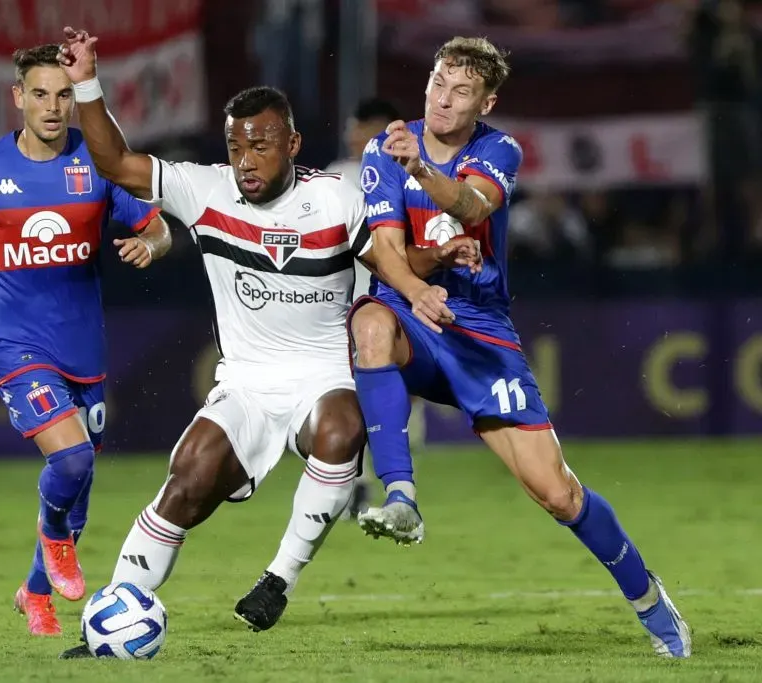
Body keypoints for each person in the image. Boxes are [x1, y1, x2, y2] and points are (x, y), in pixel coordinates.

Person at [56, 28, 477, 645]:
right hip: (247, 385)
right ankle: (114, 621)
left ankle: (278, 578)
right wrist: (87, 82)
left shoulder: (336, 199)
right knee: (190, 479)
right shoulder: (206, 190)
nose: (245, 159)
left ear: (293, 143)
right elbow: (114, 163)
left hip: (324, 375)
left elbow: (393, 261)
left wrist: (435, 260)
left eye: (260, 144)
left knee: (341, 427)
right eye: (235, 145)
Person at [349, 36, 691, 658]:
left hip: (480, 328)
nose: (443, 102)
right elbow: (385, 251)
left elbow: (474, 202)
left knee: (557, 492)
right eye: (437, 84)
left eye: (460, 92)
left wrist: (422, 172)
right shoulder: (384, 147)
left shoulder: (497, 148)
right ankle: (400, 497)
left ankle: (647, 599)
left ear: (486, 102)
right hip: (411, 311)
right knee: (369, 325)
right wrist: (416, 293)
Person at [0, 43, 170, 637]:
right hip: (13, 342)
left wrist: (152, 246)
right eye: (40, 93)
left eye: (64, 94)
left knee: (80, 487)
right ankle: (52, 537)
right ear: (18, 97)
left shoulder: (96, 165)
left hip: (83, 347)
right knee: (70, 457)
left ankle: (34, 593)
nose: (53, 106)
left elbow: (158, 227)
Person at [326, 98, 411, 519]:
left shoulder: (394, 175)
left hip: (372, 299)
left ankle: (365, 483)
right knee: (350, 392)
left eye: (366, 128)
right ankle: (358, 482)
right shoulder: (338, 175)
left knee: (365, 390)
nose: (359, 136)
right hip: (349, 300)